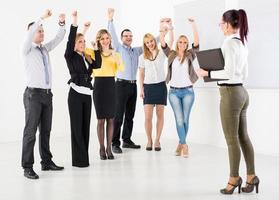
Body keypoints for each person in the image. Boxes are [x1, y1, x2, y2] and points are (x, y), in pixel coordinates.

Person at [197, 9, 260, 194]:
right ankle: (251, 176)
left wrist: (207, 73)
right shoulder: (242, 44)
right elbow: (243, 73)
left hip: (230, 93)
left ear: (226, 24)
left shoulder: (229, 44)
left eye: (220, 23)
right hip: (242, 91)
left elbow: (229, 73)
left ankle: (234, 178)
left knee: (232, 140)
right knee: (243, 137)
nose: (219, 26)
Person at [21, 9, 66, 179]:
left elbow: (58, 38)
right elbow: (31, 31)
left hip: (47, 95)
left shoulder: (44, 49)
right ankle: (27, 167)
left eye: (42, 30)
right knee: (30, 132)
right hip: (33, 95)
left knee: (46, 130)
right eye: (39, 30)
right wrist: (41, 19)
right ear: (31, 33)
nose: (41, 33)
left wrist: (61, 24)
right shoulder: (26, 49)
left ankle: (46, 162)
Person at [64, 11, 102, 167]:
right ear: (74, 44)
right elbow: (72, 39)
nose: (83, 44)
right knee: (77, 128)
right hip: (75, 95)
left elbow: (98, 65)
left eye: (84, 42)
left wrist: (96, 49)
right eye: (80, 42)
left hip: (87, 96)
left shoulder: (86, 57)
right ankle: (79, 161)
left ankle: (83, 157)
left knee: (85, 127)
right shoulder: (70, 56)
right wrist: (75, 21)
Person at [161, 18, 199, 157]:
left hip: (188, 91)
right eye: (180, 42)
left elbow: (197, 41)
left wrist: (193, 25)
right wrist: (167, 27)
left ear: (187, 44)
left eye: (185, 42)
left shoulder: (190, 54)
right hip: (174, 92)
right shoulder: (171, 54)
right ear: (177, 43)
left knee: (185, 120)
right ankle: (185, 145)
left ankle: (180, 144)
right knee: (178, 119)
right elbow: (163, 43)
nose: (183, 44)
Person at [85, 29, 124, 160]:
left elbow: (122, 68)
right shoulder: (94, 52)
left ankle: (109, 148)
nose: (105, 41)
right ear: (98, 40)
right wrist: (85, 30)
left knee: (111, 119)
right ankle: (101, 147)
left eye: (107, 38)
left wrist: (113, 55)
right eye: (102, 39)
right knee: (101, 119)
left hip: (111, 86)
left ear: (110, 39)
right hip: (99, 86)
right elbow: (80, 47)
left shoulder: (115, 54)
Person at [107, 8, 142, 153]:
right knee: (118, 115)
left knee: (130, 115)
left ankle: (126, 140)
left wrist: (162, 34)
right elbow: (112, 36)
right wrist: (110, 19)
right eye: (126, 36)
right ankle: (115, 143)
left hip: (133, 86)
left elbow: (149, 43)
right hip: (120, 85)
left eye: (130, 36)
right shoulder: (118, 48)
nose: (128, 37)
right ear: (122, 38)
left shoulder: (136, 51)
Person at [139, 21, 173, 151]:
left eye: (151, 41)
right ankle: (149, 140)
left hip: (160, 86)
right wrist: (141, 89)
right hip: (148, 87)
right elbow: (141, 74)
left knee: (160, 116)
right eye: (147, 42)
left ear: (154, 41)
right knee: (148, 117)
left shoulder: (162, 53)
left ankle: (157, 140)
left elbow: (170, 41)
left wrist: (168, 27)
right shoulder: (142, 57)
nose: (150, 44)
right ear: (145, 44)